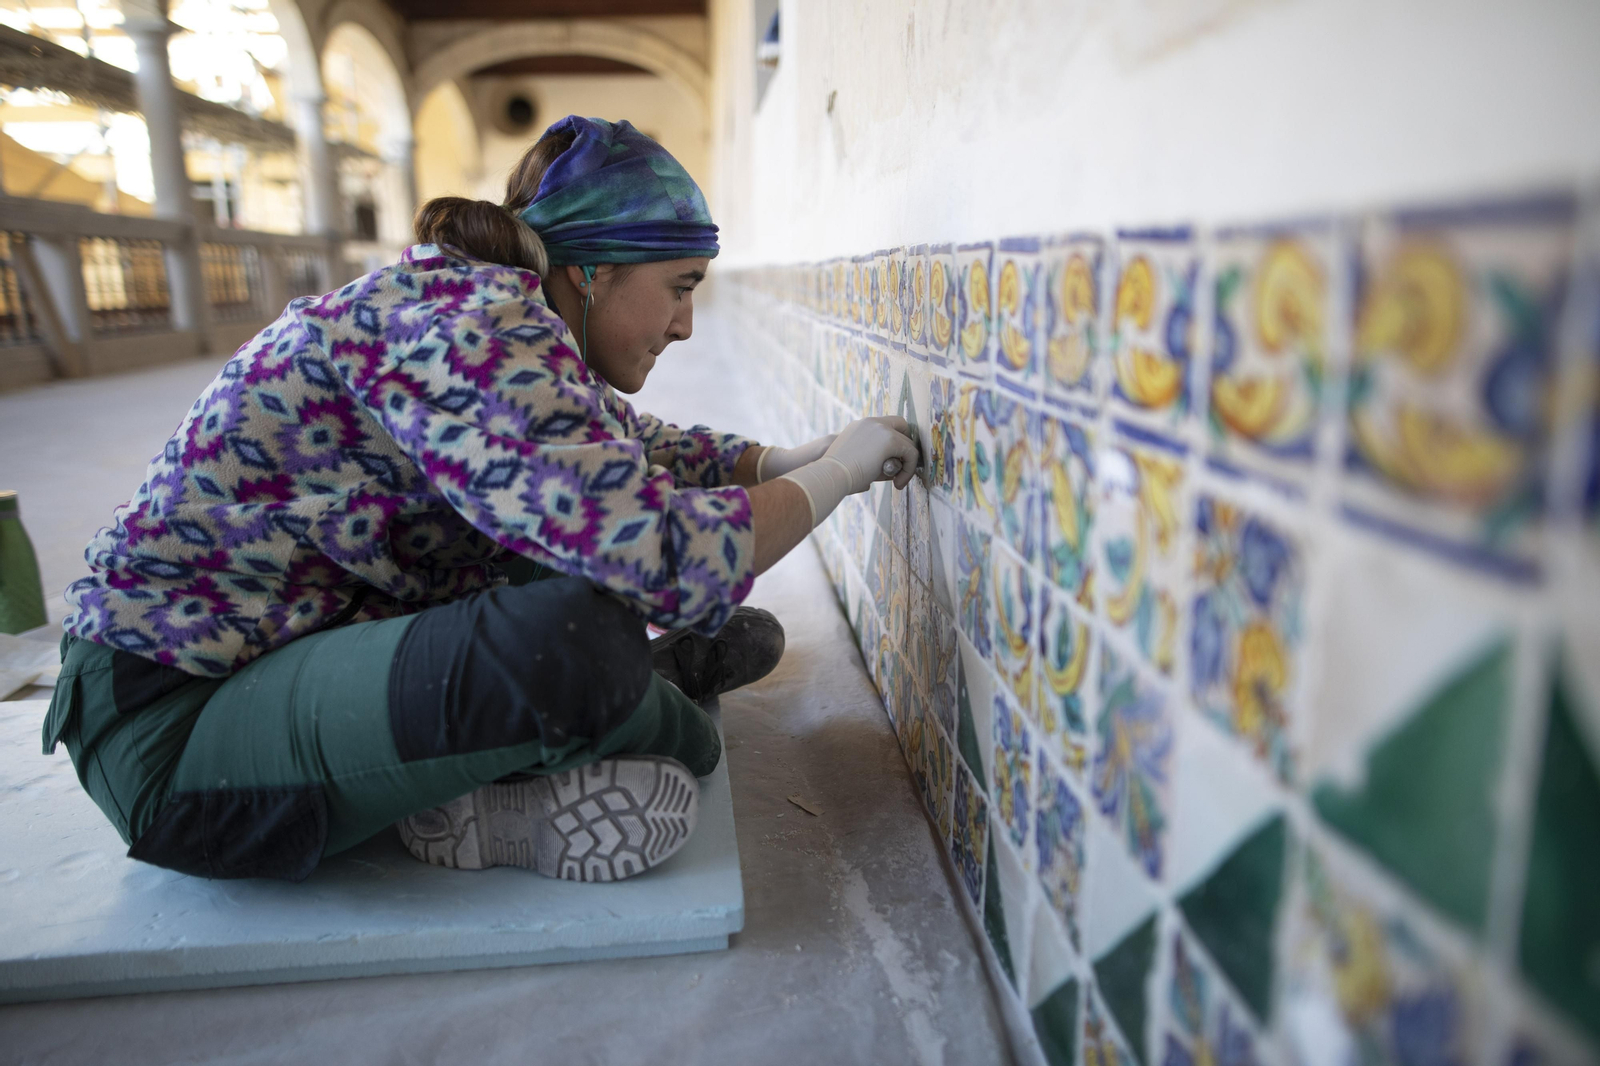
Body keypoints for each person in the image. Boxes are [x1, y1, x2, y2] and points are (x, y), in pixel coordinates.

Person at [43, 116, 920, 884]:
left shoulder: (492, 311)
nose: (686, 324)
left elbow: (620, 446)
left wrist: (779, 459)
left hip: (265, 665)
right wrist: (830, 480)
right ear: (590, 273)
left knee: (559, 591)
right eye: (681, 286)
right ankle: (622, 731)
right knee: (575, 637)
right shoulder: (472, 324)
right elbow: (655, 548)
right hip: (176, 737)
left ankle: (606, 712)